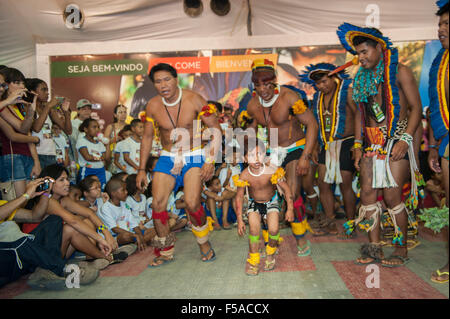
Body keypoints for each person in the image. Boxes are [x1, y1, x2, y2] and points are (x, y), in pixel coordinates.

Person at [336, 23, 423, 267]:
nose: (360, 57)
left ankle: (400, 248)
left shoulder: (400, 72)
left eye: (365, 51)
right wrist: (357, 144)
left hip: (397, 138)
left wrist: (405, 140)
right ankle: (374, 248)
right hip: (370, 142)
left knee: (393, 195)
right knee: (367, 196)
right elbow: (358, 115)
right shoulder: (361, 79)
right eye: (358, 53)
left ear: (379, 48)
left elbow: (416, 108)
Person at [136, 63, 222, 266]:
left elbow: (216, 130)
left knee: (192, 203)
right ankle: (165, 250)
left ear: (176, 79)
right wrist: (141, 170)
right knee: (157, 204)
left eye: (167, 79)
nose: (163, 84)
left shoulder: (194, 99)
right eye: (158, 81)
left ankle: (203, 243)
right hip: (168, 156)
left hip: (194, 154)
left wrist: (210, 160)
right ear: (154, 84)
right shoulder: (153, 106)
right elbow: (147, 138)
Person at [243, 58, 318, 256]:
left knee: (290, 192)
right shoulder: (252, 105)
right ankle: (270, 240)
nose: (263, 89)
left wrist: (305, 156)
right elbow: (250, 134)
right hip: (272, 152)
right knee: (265, 196)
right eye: (258, 84)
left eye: (267, 83)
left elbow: (312, 124)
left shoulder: (289, 97)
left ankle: (301, 238)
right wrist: (249, 155)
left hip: (295, 149)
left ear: (274, 81)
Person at [0, 178, 99, 289]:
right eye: (62, 179)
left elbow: (35, 216)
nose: (66, 183)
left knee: (54, 220)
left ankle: (45, 271)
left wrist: (46, 194)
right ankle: (60, 268)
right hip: (8, 258)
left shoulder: (3, 205)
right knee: (14, 235)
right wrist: (25, 196)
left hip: (23, 254)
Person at [299, 63, 359, 238]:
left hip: (346, 141)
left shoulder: (346, 92)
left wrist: (358, 143)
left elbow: (358, 115)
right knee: (324, 184)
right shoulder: (317, 98)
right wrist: (316, 146)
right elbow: (315, 124)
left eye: (324, 82)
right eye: (318, 84)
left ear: (334, 77)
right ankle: (330, 222)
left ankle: (350, 225)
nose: (321, 86)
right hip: (326, 145)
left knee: (345, 183)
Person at [235, 139, 294, 275]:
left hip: (271, 202)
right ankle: (254, 261)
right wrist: (239, 219)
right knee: (254, 232)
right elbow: (238, 197)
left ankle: (270, 253)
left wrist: (290, 208)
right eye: (251, 155)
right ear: (244, 158)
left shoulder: (271, 171)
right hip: (254, 204)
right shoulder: (244, 175)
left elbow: (286, 189)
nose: (256, 158)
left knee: (273, 230)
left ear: (265, 155)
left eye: (259, 154)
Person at [427, 0, 449, 284]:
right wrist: (434, 144)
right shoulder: (440, 61)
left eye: (448, 25)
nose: (441, 29)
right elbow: (434, 106)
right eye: (441, 24)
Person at [0, 68, 41, 198]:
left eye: (23, 83)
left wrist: (30, 111)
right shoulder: (4, 105)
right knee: (16, 201)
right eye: (16, 82)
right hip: (11, 156)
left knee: (26, 200)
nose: (21, 86)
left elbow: (24, 130)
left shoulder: (17, 106)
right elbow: (13, 135)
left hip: (26, 156)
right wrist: (34, 139)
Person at [26, 78, 72, 169]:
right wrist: (48, 106)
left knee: (51, 182)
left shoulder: (50, 110)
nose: (47, 93)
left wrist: (66, 112)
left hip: (51, 153)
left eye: (47, 90)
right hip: (36, 154)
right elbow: (36, 128)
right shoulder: (28, 107)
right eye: (43, 89)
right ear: (33, 92)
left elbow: (68, 130)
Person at [98, 178, 153, 252]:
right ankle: (136, 242)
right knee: (125, 237)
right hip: (115, 236)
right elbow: (114, 229)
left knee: (153, 230)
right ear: (113, 193)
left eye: (126, 189)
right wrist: (134, 235)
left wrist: (139, 235)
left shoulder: (124, 204)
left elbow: (133, 223)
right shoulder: (106, 208)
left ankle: (137, 242)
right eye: (123, 190)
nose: (126, 192)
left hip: (129, 232)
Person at [76, 118, 111, 189]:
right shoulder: (82, 141)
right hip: (88, 171)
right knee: (87, 190)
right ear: (86, 129)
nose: (97, 129)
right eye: (94, 127)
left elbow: (106, 158)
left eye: (98, 127)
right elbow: (87, 157)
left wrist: (107, 145)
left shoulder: (100, 143)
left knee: (101, 190)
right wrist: (100, 157)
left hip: (100, 171)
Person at [104, 104, 128, 173]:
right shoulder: (111, 127)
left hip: (125, 156)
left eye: (125, 112)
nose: (123, 114)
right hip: (113, 156)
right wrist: (114, 139)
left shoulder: (129, 127)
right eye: (120, 112)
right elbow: (104, 142)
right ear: (115, 115)